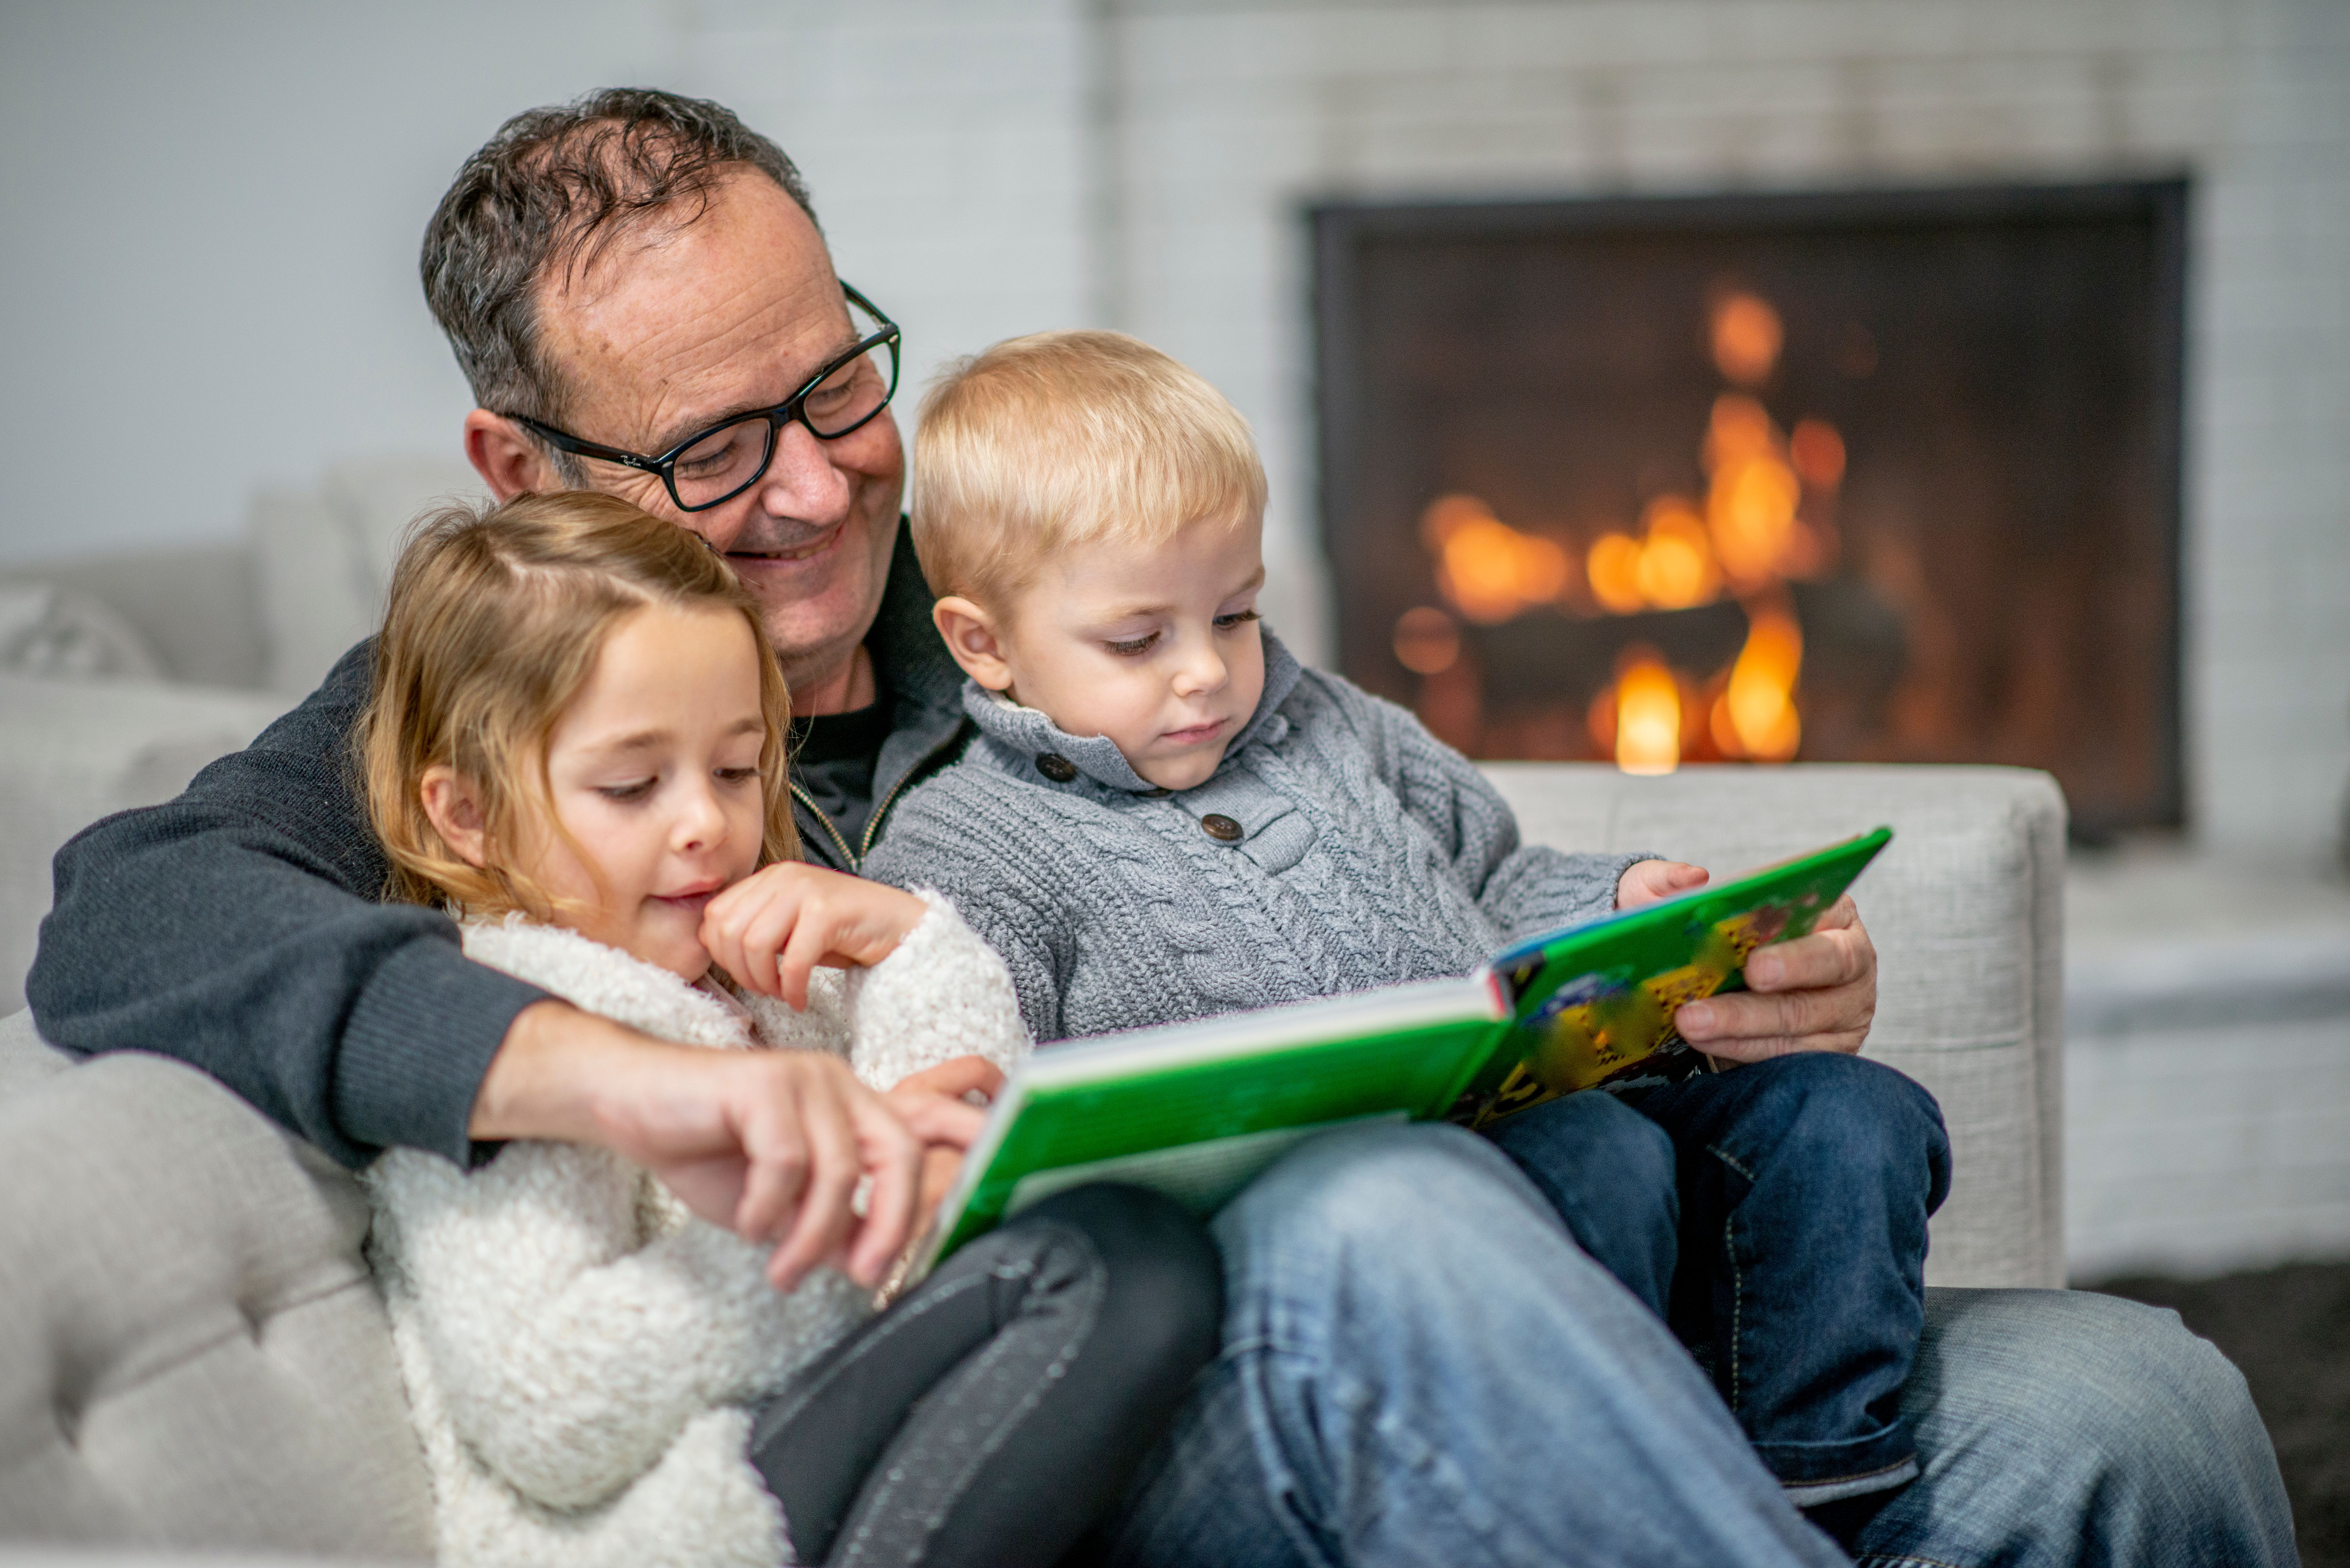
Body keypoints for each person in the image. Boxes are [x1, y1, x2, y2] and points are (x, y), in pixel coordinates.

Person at [25, 88, 2296, 1568]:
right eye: (714, 451)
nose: (817, 488)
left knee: (2130, 1402)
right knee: (1378, 1222)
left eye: (836, 385)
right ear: (526, 472)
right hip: (1131, 1404)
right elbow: (125, 918)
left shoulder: (1040, 585)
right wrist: (592, 1068)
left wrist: (1677, 960)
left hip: (1535, 1279)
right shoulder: (541, 693)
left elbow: (1396, 822)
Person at [862, 328, 1954, 1521]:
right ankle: (1588, 1490)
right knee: (1601, 1152)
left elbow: (1493, 877)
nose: (1207, 677)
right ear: (983, 643)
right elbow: (983, 1118)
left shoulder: (1331, 724)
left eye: (1232, 615)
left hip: (1556, 1133)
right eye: (1138, 641)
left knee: (1854, 1117)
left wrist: (1623, 903)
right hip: (1335, 1264)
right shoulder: (960, 848)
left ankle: (1814, 1486)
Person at [355, 489, 1221, 1567]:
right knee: (1110, 1266)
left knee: (1123, 1246)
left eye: (734, 769)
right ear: (468, 814)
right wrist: (851, 1234)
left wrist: (902, 940)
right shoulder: (495, 1031)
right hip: (684, 1526)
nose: (705, 825)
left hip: (836, 1445)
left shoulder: (753, 966)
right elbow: (547, 1407)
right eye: (632, 786)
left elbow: (946, 1108)